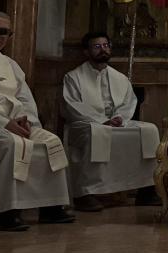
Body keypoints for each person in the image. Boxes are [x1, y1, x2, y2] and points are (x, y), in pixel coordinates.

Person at [0, 11, 72, 231]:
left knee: (50, 142)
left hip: (17, 122)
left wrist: (29, 122)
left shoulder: (11, 65)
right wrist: (4, 123)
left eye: (7, 33)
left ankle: (51, 207)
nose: (3, 37)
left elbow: (25, 98)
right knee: (10, 144)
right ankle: (6, 213)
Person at [62, 31, 161, 212]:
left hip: (116, 123)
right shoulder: (73, 77)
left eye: (106, 46)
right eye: (97, 47)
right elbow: (73, 106)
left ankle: (146, 189)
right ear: (86, 51)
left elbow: (129, 102)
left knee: (149, 130)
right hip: (86, 124)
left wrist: (118, 119)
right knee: (97, 134)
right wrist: (102, 121)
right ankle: (85, 193)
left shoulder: (119, 78)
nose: (103, 50)